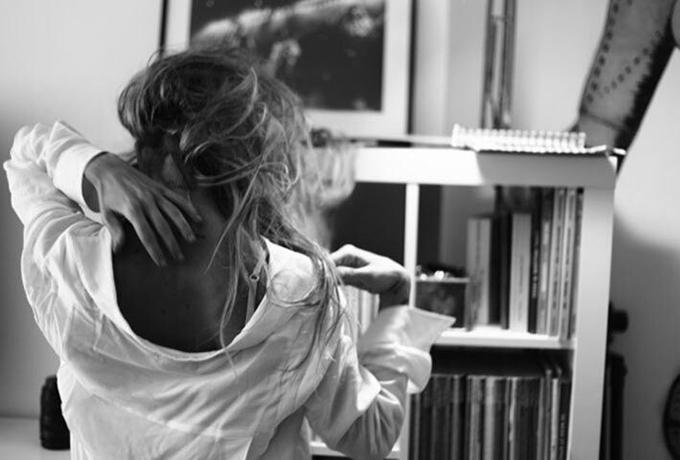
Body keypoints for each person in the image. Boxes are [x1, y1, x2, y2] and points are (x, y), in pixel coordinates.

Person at [5, 46, 453, 459]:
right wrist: (397, 299)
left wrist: (93, 165)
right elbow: (371, 436)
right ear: (258, 162)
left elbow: (26, 156)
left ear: (146, 149)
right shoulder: (303, 295)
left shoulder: (71, 262)